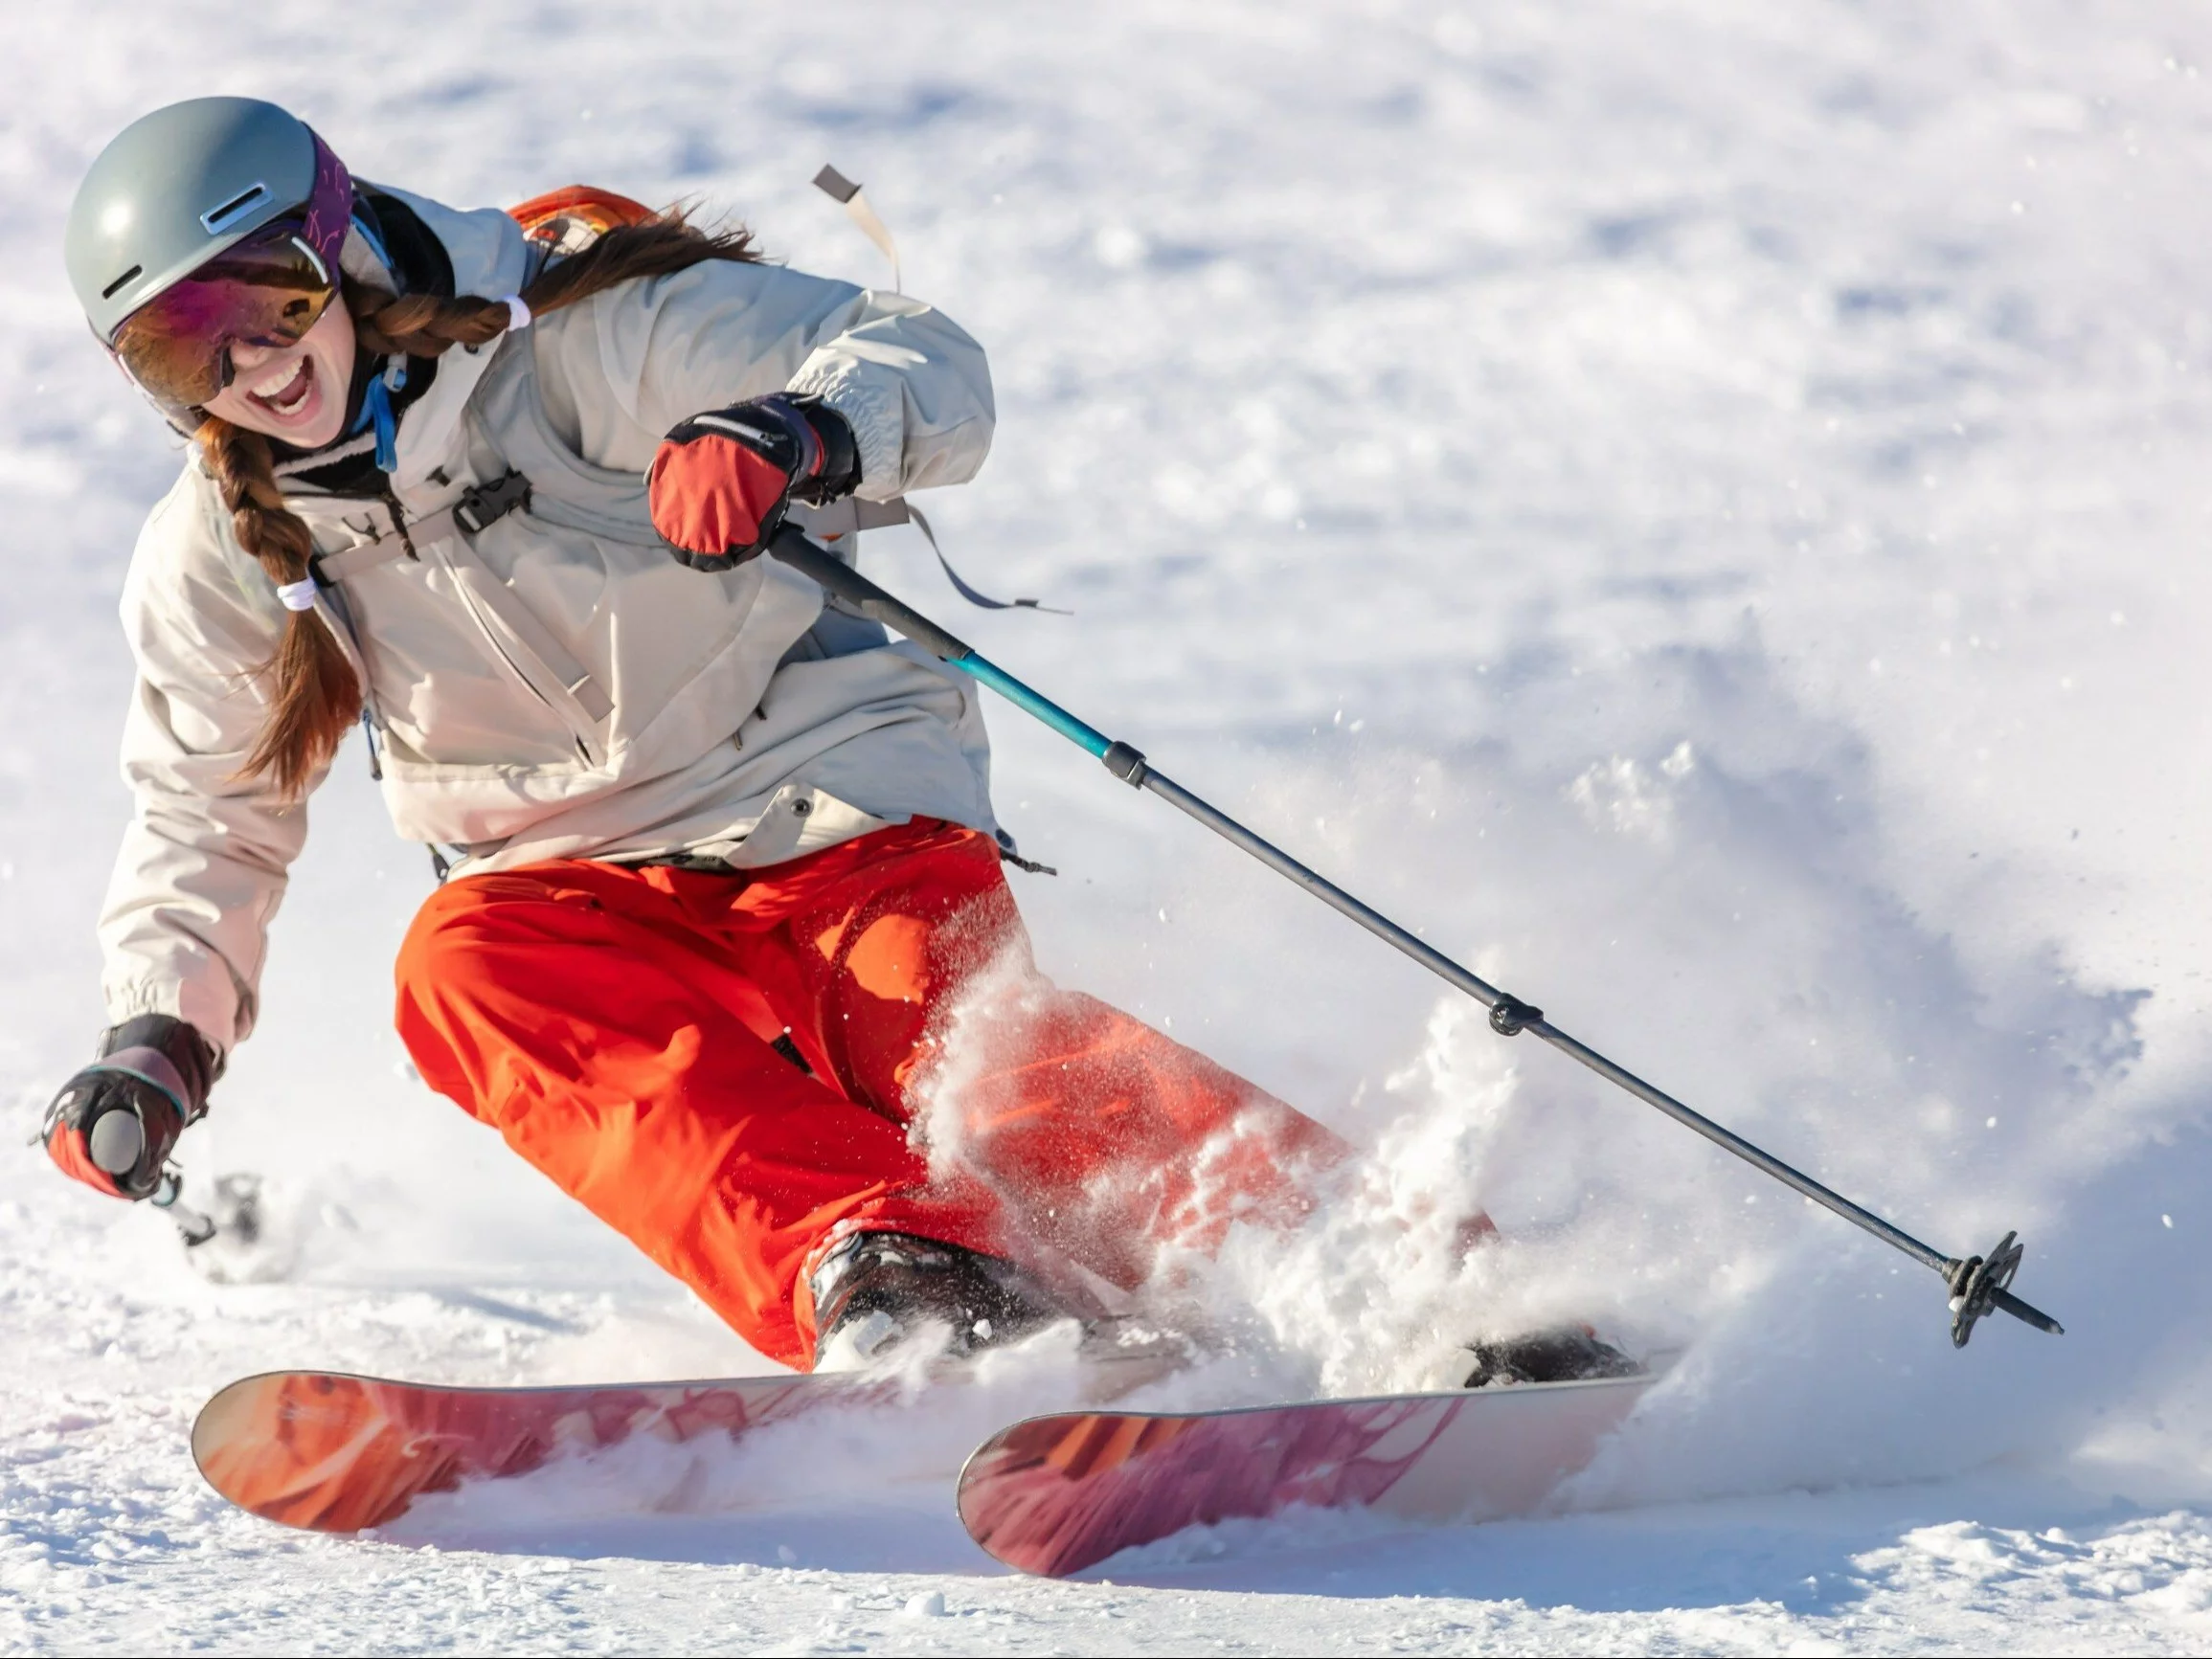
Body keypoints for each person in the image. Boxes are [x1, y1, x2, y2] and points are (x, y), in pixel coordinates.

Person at [39, 96, 1355, 1372]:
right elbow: (204, 809)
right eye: (182, 346)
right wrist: (162, 1032)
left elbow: (920, 353)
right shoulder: (214, 555)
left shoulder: (575, 340)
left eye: (270, 300)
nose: (252, 366)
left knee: (959, 1063)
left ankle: (1362, 1259)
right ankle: (898, 1266)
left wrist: (798, 430)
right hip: (570, 885)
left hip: (824, 795)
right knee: (460, 973)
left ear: (343, 246)